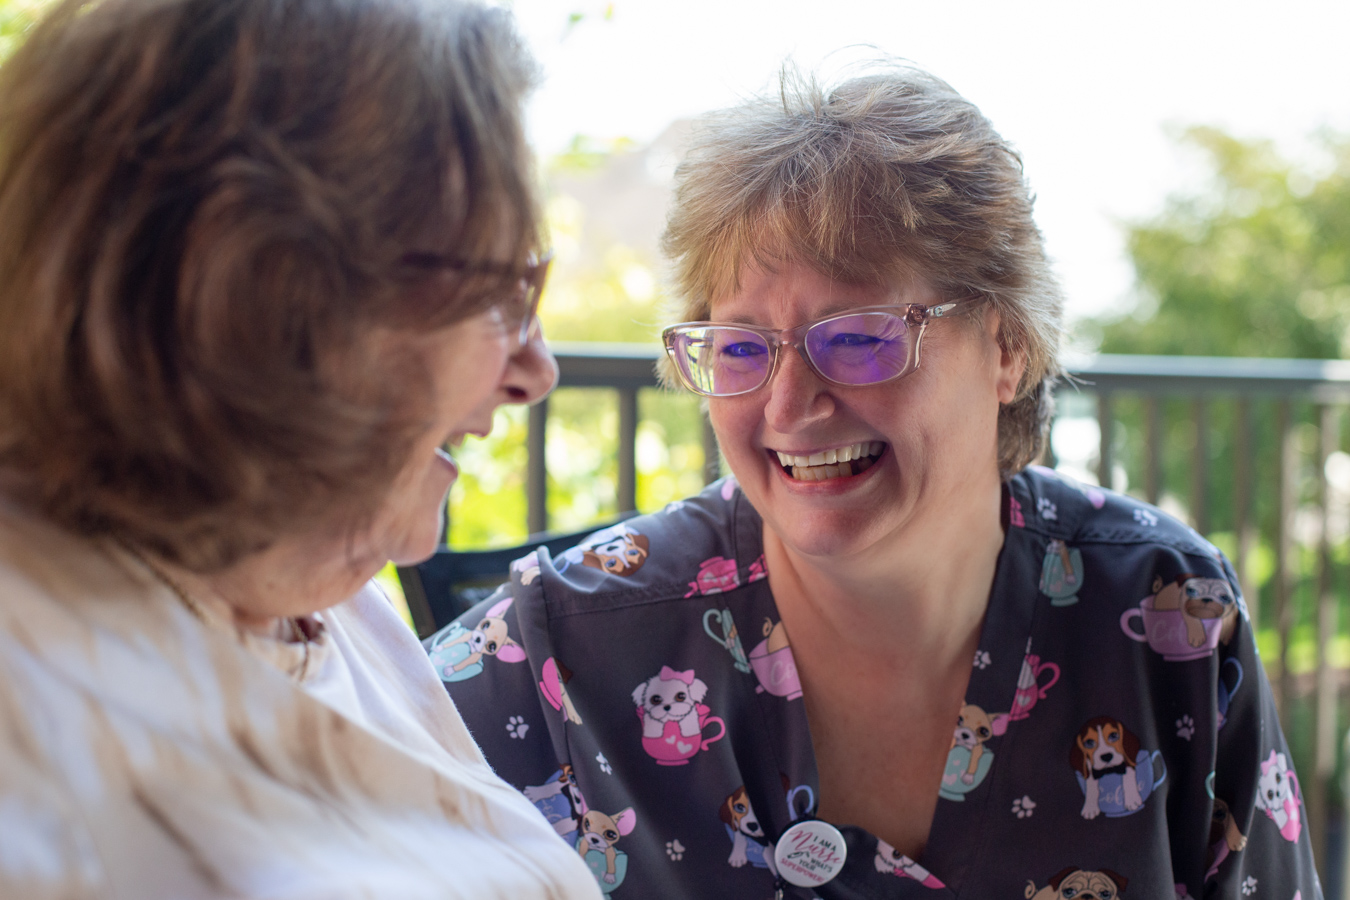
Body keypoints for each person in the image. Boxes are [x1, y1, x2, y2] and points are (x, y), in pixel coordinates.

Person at [435, 64, 1322, 898]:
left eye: (858, 335)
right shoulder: (563, 647)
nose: (790, 404)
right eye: (742, 346)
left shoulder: (1170, 614)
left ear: (1006, 346)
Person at [0, 0, 603, 897]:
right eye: (502, 289)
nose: (536, 369)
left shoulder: (320, 582)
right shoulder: (30, 709)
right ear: (261, 298)